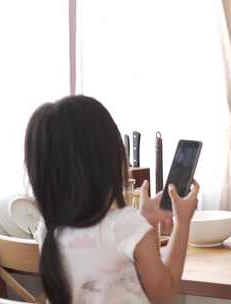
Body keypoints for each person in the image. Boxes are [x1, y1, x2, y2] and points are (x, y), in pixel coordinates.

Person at [25, 95, 199, 303]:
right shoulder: (125, 225)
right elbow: (165, 294)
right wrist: (183, 221)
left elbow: (123, 277)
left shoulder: (47, 230)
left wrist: (146, 221)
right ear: (108, 159)